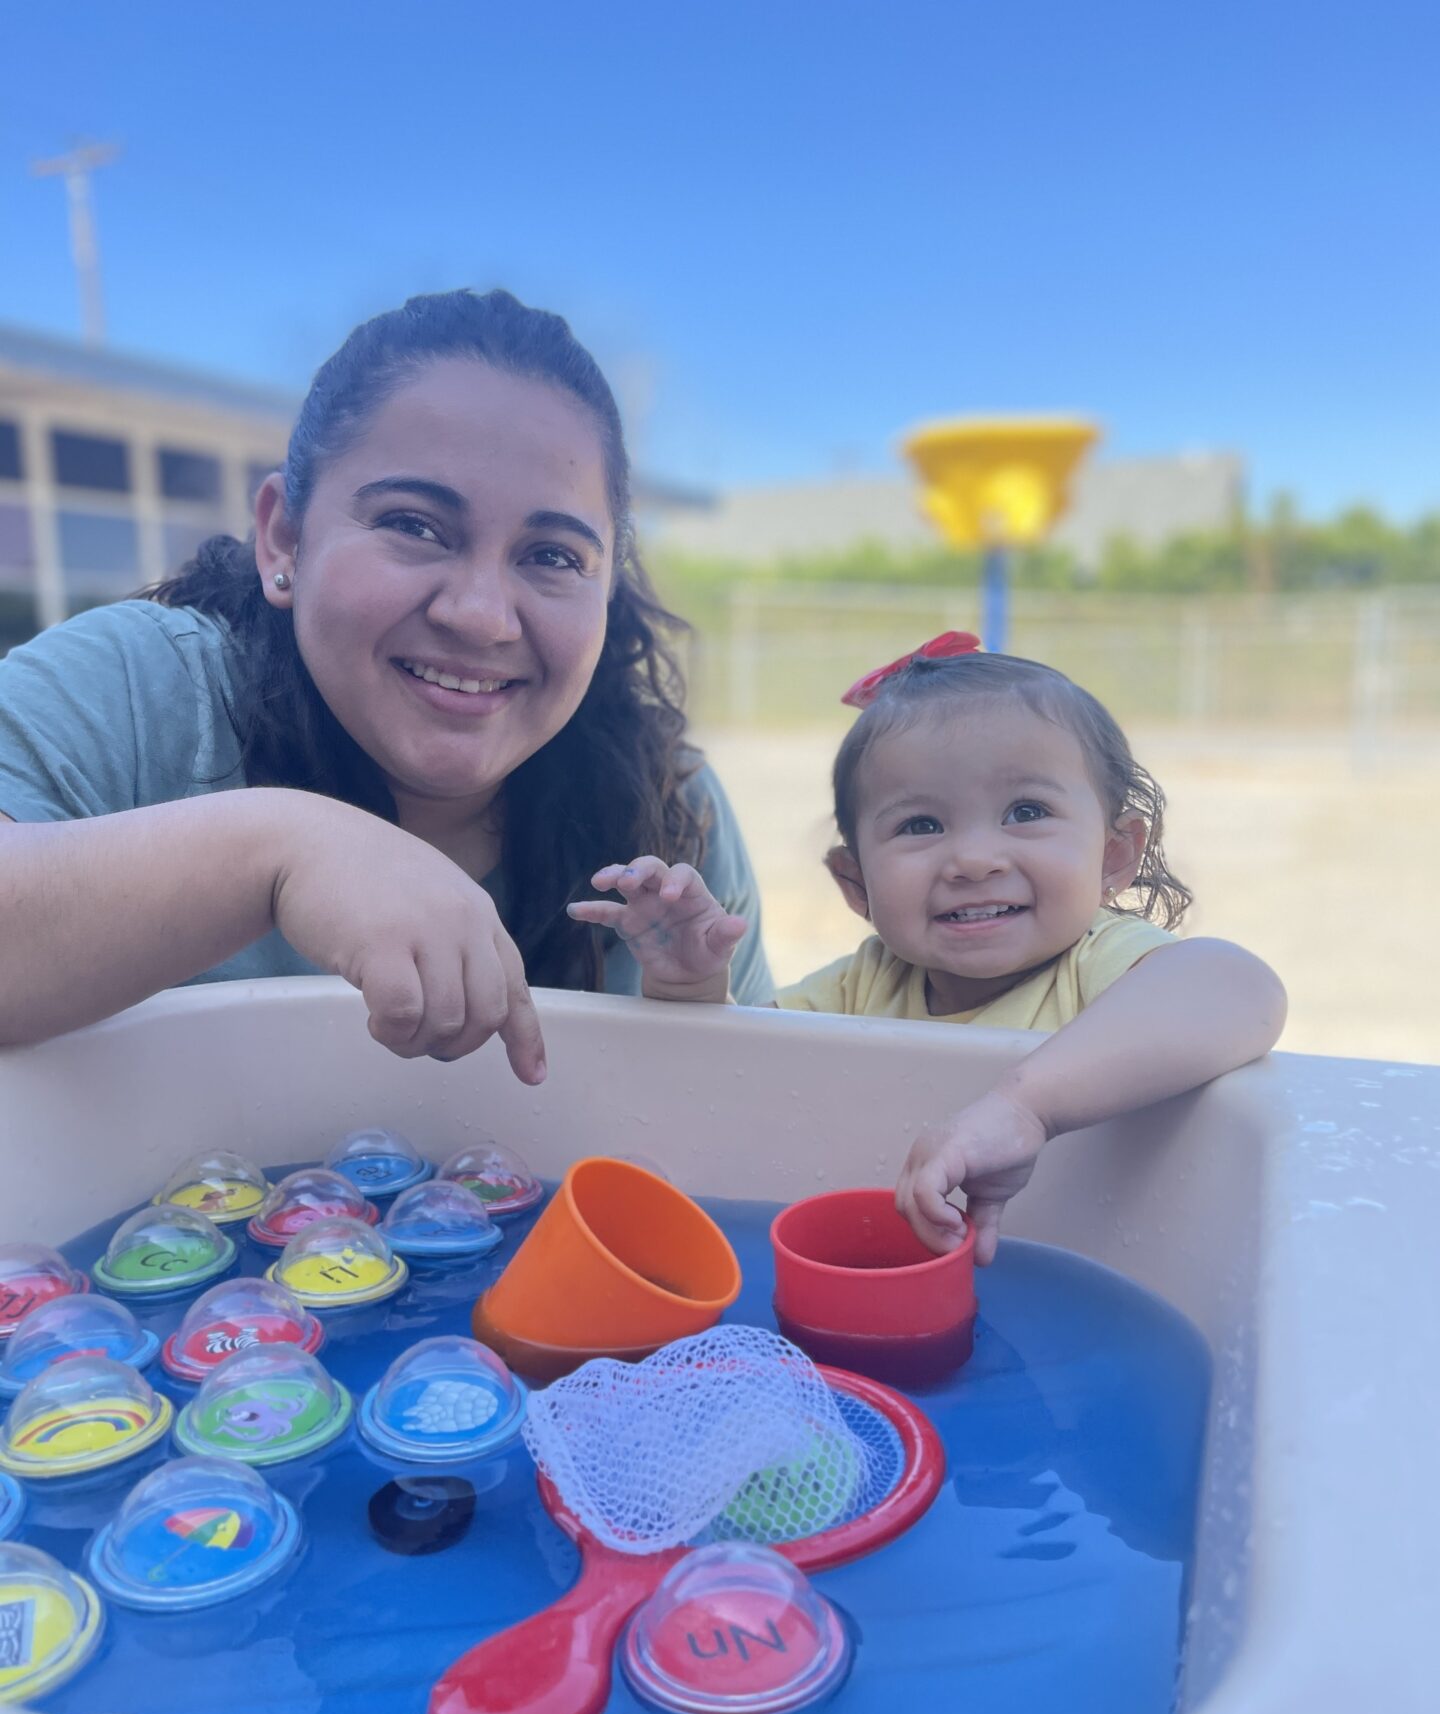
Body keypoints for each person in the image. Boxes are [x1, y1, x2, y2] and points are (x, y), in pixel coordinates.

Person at [0, 291, 772, 1071]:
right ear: (284, 538)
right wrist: (279, 849)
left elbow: (763, 1114)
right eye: (414, 526)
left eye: (553, 556)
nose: (481, 617)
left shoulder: (673, 806)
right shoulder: (144, 688)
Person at [568, 632, 1287, 1259]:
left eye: (1026, 812)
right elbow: (740, 1085)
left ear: (1113, 855)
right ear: (855, 882)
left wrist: (1025, 1107)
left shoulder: (1098, 963)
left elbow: (1240, 987)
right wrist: (692, 989)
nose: (974, 859)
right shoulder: (861, 987)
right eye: (920, 826)